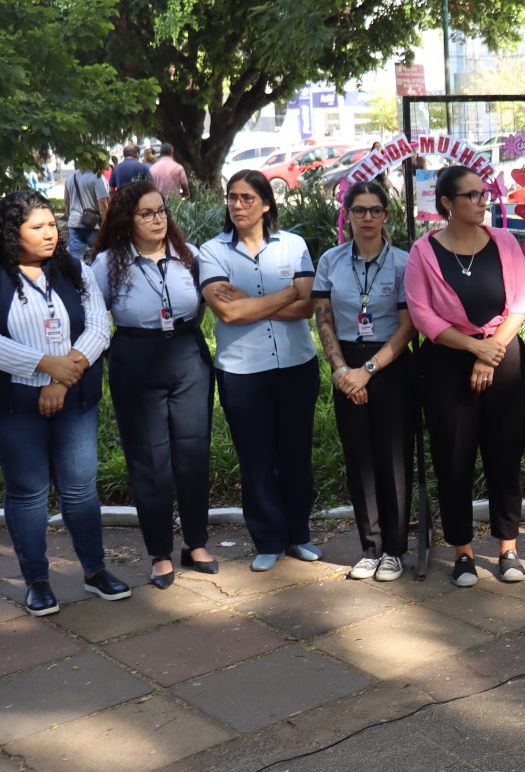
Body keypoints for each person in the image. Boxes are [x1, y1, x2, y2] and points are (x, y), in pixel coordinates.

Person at [0, 190, 127, 616]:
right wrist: (44, 366)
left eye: (52, 224)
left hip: (73, 399)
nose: (50, 233)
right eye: (37, 227)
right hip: (16, 405)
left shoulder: (73, 268)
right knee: (28, 493)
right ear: (11, 233)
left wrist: (64, 375)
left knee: (79, 489)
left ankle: (94, 571)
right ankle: (37, 580)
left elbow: (98, 326)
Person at [406, 166, 525, 587]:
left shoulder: (504, 242)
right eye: (472, 195)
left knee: (504, 453)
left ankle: (508, 547)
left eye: (483, 195)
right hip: (446, 364)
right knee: (453, 457)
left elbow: (519, 304)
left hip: (503, 357)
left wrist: (489, 352)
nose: (483, 201)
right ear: (447, 203)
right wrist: (474, 347)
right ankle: (461, 550)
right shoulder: (423, 252)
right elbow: (422, 314)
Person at [90, 180, 217, 588]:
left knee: (193, 453)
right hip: (135, 359)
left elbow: (204, 305)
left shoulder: (188, 255)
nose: (158, 219)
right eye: (147, 213)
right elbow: (93, 318)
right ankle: (160, 553)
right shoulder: (108, 263)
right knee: (150, 460)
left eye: (161, 210)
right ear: (128, 218)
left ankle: (196, 543)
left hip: (187, 356)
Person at [198, 169, 320, 572]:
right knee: (256, 458)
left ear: (267, 204)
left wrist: (252, 301)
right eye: (232, 197)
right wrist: (287, 293)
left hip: (296, 365)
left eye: (247, 198)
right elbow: (228, 312)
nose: (237, 205)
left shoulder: (293, 245)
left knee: (296, 454)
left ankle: (298, 535)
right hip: (242, 371)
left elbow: (309, 307)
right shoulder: (212, 251)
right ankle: (267, 540)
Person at [314, 182, 417, 583]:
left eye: (376, 210)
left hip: (389, 365)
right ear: (348, 215)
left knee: (393, 459)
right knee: (360, 459)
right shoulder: (331, 261)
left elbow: (408, 327)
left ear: (387, 215)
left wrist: (367, 372)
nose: (368, 218)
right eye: (360, 211)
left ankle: (394, 548)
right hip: (347, 368)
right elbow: (323, 319)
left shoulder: (404, 263)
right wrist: (342, 371)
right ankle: (369, 547)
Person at [63, 156, 109, 260]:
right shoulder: (97, 178)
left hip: (74, 222)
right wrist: (106, 222)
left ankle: (75, 274)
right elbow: (102, 202)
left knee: (74, 255)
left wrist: (69, 215)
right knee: (97, 255)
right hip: (92, 224)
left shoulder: (70, 178)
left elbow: (66, 200)